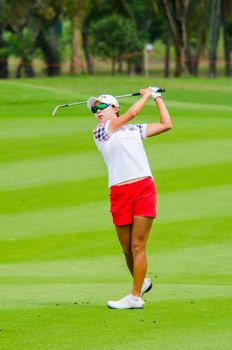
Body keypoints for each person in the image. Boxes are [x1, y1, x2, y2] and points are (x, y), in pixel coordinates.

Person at [87, 87, 172, 309]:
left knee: (137, 246)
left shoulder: (134, 130)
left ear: (115, 108)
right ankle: (141, 282)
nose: (97, 111)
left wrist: (157, 97)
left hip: (143, 186)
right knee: (126, 248)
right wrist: (145, 94)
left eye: (101, 106)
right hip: (119, 192)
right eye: (94, 109)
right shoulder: (100, 131)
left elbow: (166, 124)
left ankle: (134, 297)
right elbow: (132, 113)